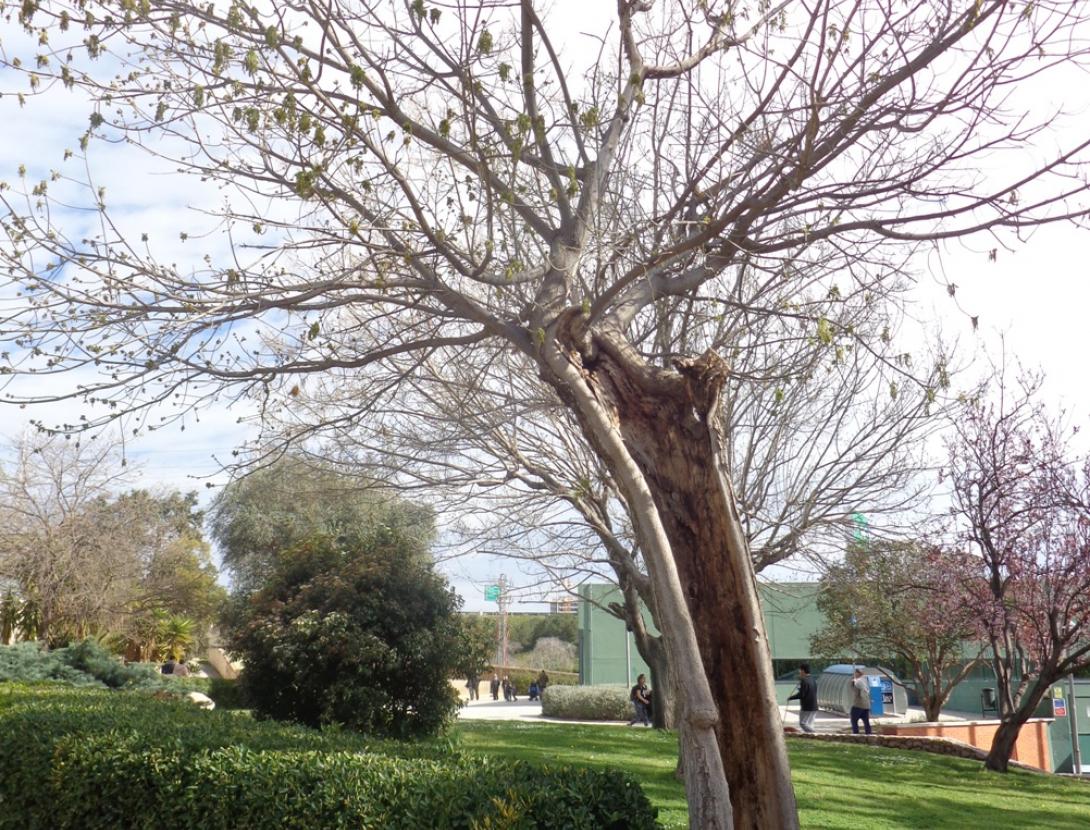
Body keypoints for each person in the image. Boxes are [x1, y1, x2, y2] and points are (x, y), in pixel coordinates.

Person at [787, 662, 818, 734]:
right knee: (810, 724)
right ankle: (811, 738)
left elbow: (802, 695)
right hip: (814, 706)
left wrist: (790, 698)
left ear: (803, 671)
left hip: (806, 706)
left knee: (803, 723)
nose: (799, 672)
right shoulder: (813, 680)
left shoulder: (804, 681)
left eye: (800, 671)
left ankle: (815, 734)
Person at [850, 667, 873, 735]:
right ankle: (868, 734)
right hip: (866, 705)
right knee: (866, 721)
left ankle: (856, 734)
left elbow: (860, 692)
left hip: (858, 704)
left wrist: (853, 683)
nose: (854, 674)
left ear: (857, 673)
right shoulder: (865, 680)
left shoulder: (858, 681)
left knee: (854, 720)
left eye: (855, 673)